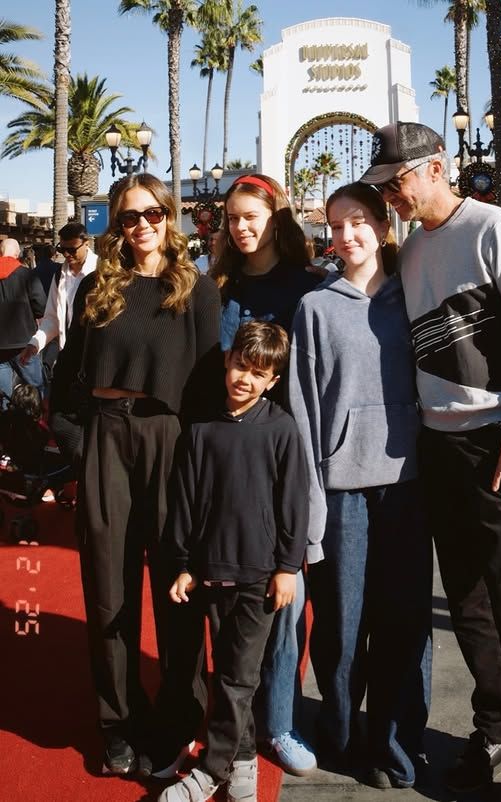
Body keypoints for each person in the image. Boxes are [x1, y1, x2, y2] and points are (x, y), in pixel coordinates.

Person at [360, 121, 501, 802]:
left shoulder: (494, 228)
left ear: (437, 168)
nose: (390, 195)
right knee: (469, 601)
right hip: (439, 446)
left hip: (499, 441)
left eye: (398, 182)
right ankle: (495, 726)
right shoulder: (412, 248)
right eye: (382, 187)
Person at [51, 173, 221, 776]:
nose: (142, 225)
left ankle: (180, 714)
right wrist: (80, 443)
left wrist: (201, 470)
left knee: (178, 585)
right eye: (128, 217)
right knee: (108, 590)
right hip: (106, 437)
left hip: (169, 440)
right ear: (115, 227)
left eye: (152, 214)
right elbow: (65, 377)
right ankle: (117, 722)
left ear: (168, 217)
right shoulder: (96, 288)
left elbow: (206, 389)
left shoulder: (195, 290)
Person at [288, 182, 432, 790]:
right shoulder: (315, 308)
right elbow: (303, 413)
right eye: (335, 225)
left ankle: (398, 748)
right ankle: (343, 737)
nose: (345, 236)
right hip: (342, 490)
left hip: (407, 487)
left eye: (357, 222)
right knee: (343, 627)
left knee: (404, 623)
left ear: (382, 225)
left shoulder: (416, 299)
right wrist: (312, 505)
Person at [154, 321, 309, 802]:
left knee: (240, 677)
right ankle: (241, 764)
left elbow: (294, 505)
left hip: (261, 576)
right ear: (227, 361)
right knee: (228, 676)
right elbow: (184, 502)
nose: (245, 377)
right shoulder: (200, 430)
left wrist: (287, 566)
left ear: (272, 382)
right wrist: (183, 563)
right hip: (211, 571)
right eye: (240, 365)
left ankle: (209, 770)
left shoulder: (282, 429)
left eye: (258, 373)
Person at [213, 173, 321, 775]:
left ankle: (278, 721)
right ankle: (234, 717)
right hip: (227, 463)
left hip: (284, 460)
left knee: (285, 597)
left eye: (251, 215)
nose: (242, 227)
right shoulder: (217, 287)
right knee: (228, 602)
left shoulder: (308, 289)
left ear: (275, 218)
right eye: (233, 218)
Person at [19, 222, 98, 382]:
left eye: (72, 249)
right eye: (62, 249)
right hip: (68, 355)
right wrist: (35, 343)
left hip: (96, 359)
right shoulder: (59, 275)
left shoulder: (103, 271)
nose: (67, 254)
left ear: (86, 244)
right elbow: (52, 318)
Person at [0, 238, 46, 407]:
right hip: (23, 343)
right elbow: (40, 306)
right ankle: (36, 421)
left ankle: (6, 425)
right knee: (36, 387)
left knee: (3, 394)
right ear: (17, 254)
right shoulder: (27, 274)